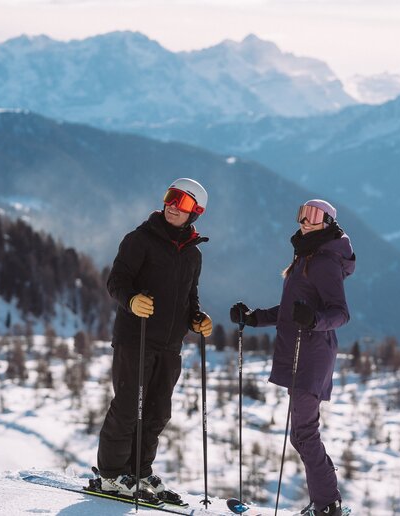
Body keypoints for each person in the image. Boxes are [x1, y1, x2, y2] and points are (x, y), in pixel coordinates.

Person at [230, 199, 355, 516]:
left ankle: (328, 505)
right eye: (302, 214)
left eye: (314, 216)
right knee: (303, 434)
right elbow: (291, 310)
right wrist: (254, 318)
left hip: (312, 354)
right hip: (300, 350)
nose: (305, 221)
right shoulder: (306, 255)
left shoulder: (325, 261)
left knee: (303, 434)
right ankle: (327, 502)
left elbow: (340, 314)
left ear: (328, 222)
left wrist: (314, 320)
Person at [96, 178, 213, 499]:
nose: (174, 205)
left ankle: (138, 472)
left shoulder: (193, 255)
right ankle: (110, 475)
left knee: (158, 411)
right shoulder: (139, 240)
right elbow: (116, 281)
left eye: (184, 202)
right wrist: (131, 300)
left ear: (196, 212)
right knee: (128, 405)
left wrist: (197, 318)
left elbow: (190, 297)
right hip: (136, 336)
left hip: (170, 344)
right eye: (171, 197)